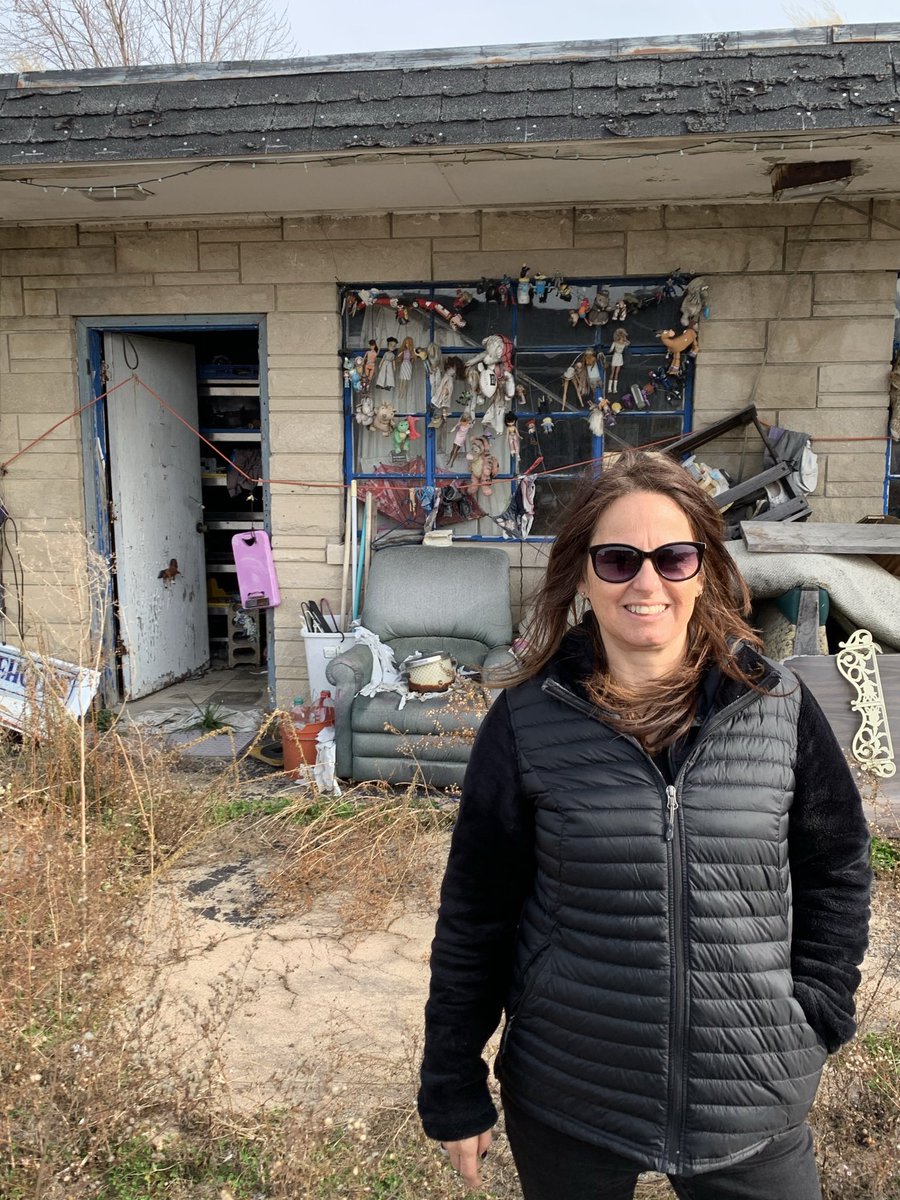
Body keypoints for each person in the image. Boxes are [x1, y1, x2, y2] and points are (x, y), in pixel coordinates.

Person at [418, 451, 871, 1200]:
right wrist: (452, 1081)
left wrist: (815, 1009)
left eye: (674, 557)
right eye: (620, 559)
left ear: (704, 570)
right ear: (584, 574)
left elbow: (838, 866)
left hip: (750, 1092)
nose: (648, 582)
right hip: (570, 1094)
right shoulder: (528, 723)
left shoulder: (778, 706)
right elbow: (476, 913)